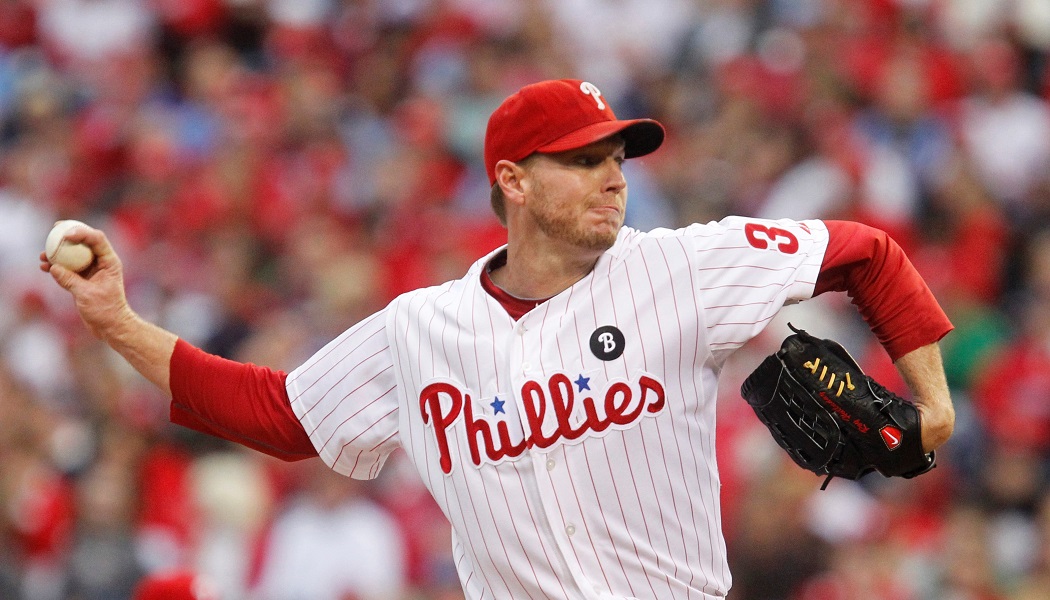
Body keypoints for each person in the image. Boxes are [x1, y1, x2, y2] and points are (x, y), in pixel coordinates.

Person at [42, 79, 955, 600]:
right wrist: (117, 321)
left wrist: (934, 402)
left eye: (616, 159)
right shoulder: (421, 329)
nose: (614, 178)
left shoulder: (678, 266)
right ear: (514, 182)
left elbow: (866, 254)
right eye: (585, 161)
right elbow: (281, 416)